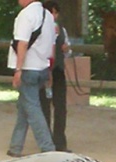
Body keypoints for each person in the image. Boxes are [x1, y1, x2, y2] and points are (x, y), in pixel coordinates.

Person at [7, 0, 57, 157]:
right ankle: (15, 147)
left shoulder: (26, 15)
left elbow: (22, 44)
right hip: (42, 67)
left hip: (29, 68)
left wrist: (18, 69)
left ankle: (48, 148)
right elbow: (51, 45)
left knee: (33, 109)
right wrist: (49, 68)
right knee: (24, 107)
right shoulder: (48, 15)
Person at [38, 0, 71, 151]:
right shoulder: (38, 30)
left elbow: (68, 52)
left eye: (56, 13)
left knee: (60, 107)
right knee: (44, 107)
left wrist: (66, 50)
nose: (54, 15)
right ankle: (46, 142)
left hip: (58, 71)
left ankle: (60, 142)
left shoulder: (62, 30)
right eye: (52, 12)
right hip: (43, 71)